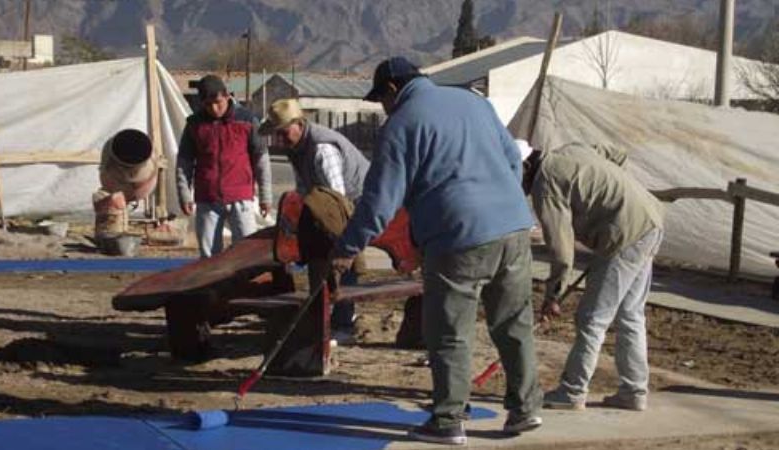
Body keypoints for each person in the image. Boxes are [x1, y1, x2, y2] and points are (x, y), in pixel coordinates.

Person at [331, 57, 542, 446]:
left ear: (393, 88)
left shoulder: (403, 123)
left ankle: (448, 420)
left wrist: (349, 246)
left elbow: (380, 201)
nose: (383, 108)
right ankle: (525, 409)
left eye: (382, 99)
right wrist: (505, 205)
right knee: (513, 322)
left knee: (450, 330)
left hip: (456, 235)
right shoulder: (474, 102)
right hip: (513, 227)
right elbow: (514, 158)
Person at [523, 142, 664, 412]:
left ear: (527, 168)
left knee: (592, 318)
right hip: (650, 220)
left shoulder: (545, 185)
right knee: (629, 314)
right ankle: (634, 391)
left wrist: (553, 295)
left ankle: (572, 391)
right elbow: (618, 154)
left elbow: (561, 251)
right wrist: (614, 197)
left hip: (625, 235)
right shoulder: (573, 148)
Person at [258, 98, 369, 344]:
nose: (280, 139)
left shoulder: (322, 149)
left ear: (299, 124)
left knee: (344, 256)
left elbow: (337, 199)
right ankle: (321, 316)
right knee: (316, 251)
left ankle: (344, 324)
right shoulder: (296, 147)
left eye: (284, 133)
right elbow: (303, 186)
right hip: (330, 199)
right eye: (276, 135)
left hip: (355, 199)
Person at [176, 74, 272, 258]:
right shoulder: (194, 124)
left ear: (227, 96)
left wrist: (265, 196)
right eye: (207, 104)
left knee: (246, 253)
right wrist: (184, 194)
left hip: (241, 198)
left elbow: (261, 159)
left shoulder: (247, 120)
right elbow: (184, 161)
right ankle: (212, 287)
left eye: (218, 102)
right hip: (207, 198)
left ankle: (246, 287)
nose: (214, 108)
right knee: (209, 256)